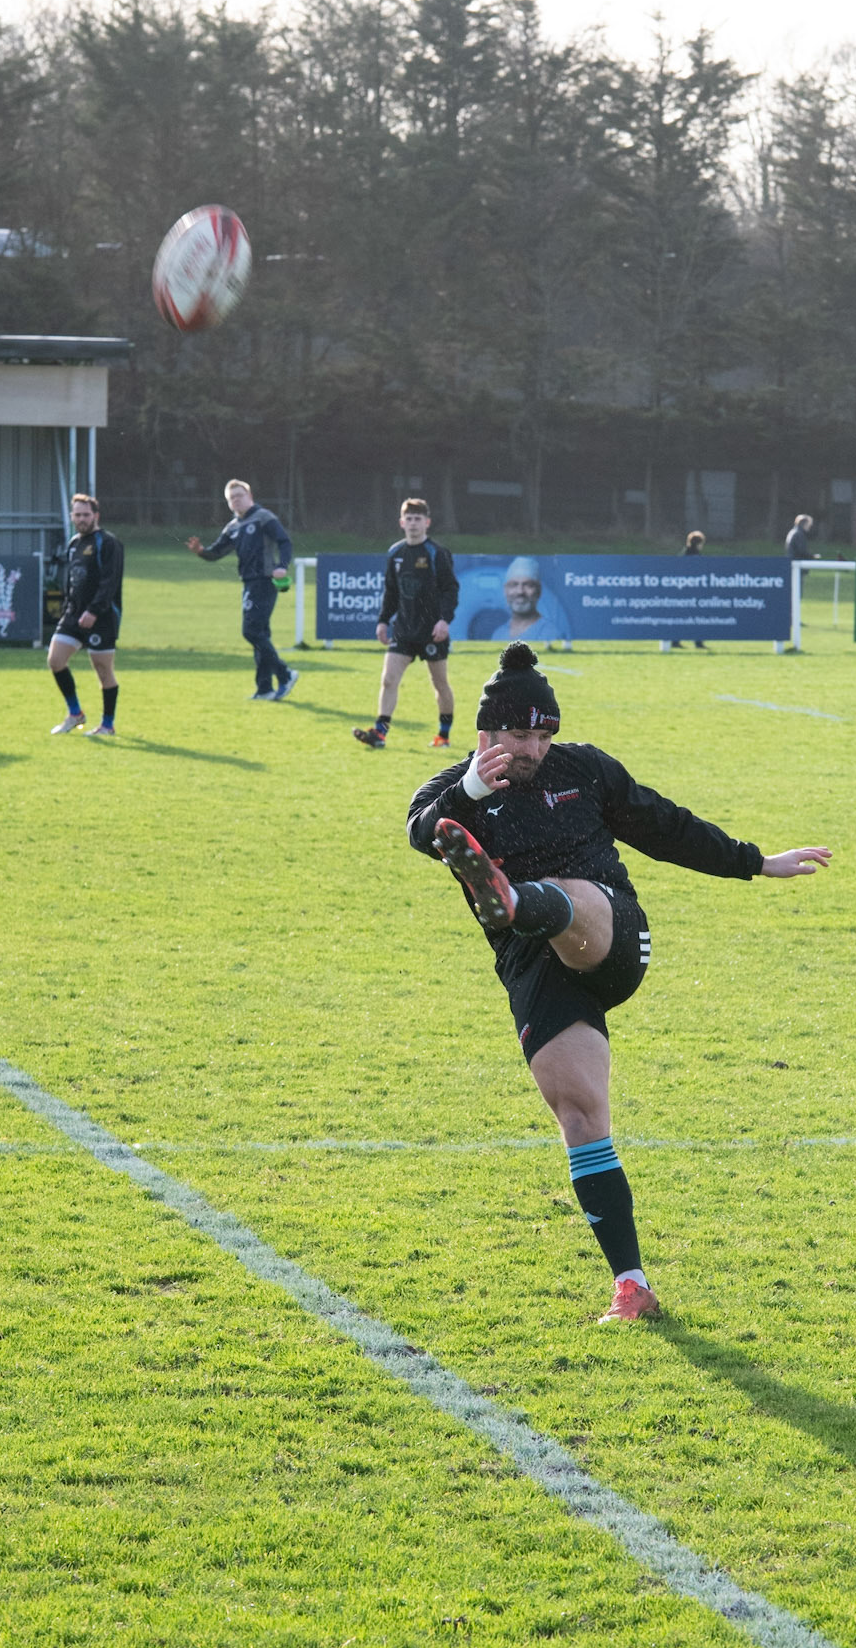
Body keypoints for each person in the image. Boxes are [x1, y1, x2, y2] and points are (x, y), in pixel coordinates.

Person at [407, 643, 831, 1324]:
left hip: (609, 929)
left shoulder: (585, 769)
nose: (535, 747)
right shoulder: (454, 792)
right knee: (579, 1116)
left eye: (544, 733)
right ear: (486, 733)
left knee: (567, 894)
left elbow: (666, 828)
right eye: (521, 733)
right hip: (535, 968)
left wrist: (757, 863)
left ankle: (517, 901)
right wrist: (471, 793)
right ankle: (631, 1286)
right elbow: (423, 832)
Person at [353, 498, 458, 750]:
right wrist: (382, 621)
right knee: (388, 679)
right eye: (408, 519)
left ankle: (443, 735)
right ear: (401, 522)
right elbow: (391, 591)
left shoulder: (437, 553)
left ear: (427, 522)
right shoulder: (395, 553)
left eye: (417, 519)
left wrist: (444, 620)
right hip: (403, 629)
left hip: (432, 631)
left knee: (440, 683)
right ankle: (380, 733)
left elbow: (450, 589)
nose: (413, 523)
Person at [187, 481, 297, 701]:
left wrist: (282, 566)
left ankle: (285, 674)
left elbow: (284, 542)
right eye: (231, 498)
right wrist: (200, 551)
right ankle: (265, 688)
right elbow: (216, 552)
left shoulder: (264, 517)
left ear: (250, 496)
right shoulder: (233, 527)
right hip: (248, 583)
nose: (236, 499)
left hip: (264, 581)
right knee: (260, 634)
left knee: (251, 632)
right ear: (229, 503)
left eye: (239, 495)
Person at [47, 494, 125, 737]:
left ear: (96, 516)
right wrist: (70, 606)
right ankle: (75, 714)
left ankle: (107, 725)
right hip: (73, 614)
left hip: (102, 616)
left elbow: (110, 582)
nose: (81, 519)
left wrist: (93, 610)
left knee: (103, 671)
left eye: (86, 515)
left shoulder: (108, 543)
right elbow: (73, 580)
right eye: (77, 515)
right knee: (55, 660)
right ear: (72, 517)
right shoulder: (73, 544)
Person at [490, 555, 567, 643]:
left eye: (528, 585)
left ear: (538, 591)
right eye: (514, 585)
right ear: (506, 591)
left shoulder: (551, 635)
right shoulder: (498, 635)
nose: (520, 592)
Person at [671, 528, 707, 650]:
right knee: (697, 618)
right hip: (693, 592)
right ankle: (698, 642)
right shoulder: (696, 557)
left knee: (681, 618)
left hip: (681, 591)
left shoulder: (683, 554)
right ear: (698, 543)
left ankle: (675, 641)